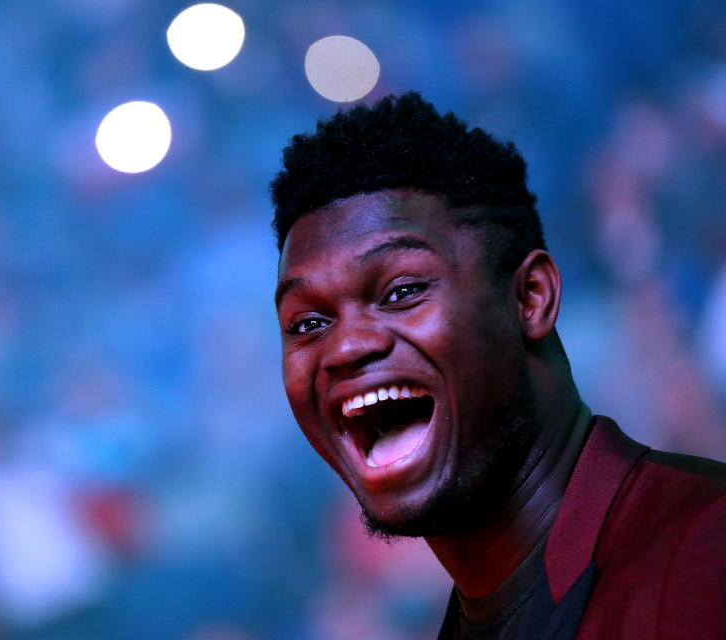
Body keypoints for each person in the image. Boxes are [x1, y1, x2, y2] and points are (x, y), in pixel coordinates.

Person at [270, 92, 726, 639]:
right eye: (307, 324)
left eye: (403, 290)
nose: (344, 348)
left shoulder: (705, 551)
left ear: (530, 297)